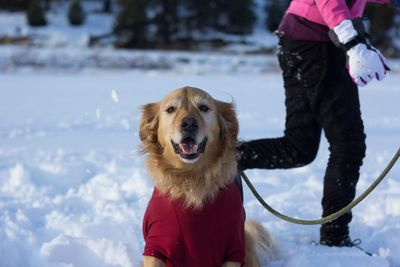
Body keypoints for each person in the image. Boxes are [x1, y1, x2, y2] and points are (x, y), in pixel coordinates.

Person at [238, 0, 391, 247]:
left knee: (299, 146)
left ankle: (228, 157)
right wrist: (352, 43)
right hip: (318, 40)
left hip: (302, 37)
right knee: (348, 145)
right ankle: (335, 237)